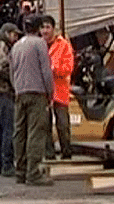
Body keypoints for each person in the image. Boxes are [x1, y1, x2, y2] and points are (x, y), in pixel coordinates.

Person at [10, 15, 54, 186]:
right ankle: (33, 172)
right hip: (37, 93)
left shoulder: (16, 46)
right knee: (36, 132)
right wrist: (50, 93)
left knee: (20, 132)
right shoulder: (39, 43)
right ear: (37, 28)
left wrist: (17, 89)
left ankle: (20, 170)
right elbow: (46, 71)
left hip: (20, 92)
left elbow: (12, 72)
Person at [0, 22, 22, 177]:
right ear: (8, 33)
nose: (16, 38)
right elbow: (1, 67)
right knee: (8, 128)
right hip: (3, 91)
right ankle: (6, 164)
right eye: (15, 35)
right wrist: (15, 78)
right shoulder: (1, 46)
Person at [40, 15, 74, 160]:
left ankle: (66, 152)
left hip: (59, 89)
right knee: (44, 124)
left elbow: (68, 67)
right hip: (43, 91)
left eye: (47, 27)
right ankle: (49, 153)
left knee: (63, 124)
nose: (45, 31)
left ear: (53, 29)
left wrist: (54, 69)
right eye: (42, 27)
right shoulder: (39, 44)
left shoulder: (64, 45)